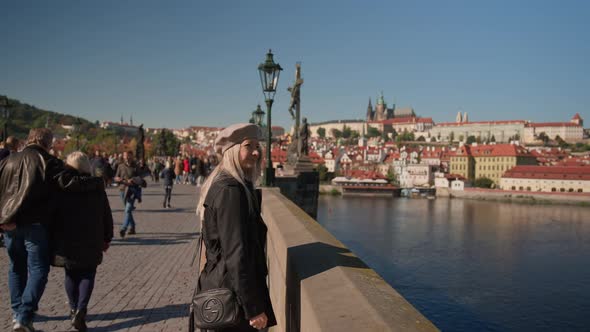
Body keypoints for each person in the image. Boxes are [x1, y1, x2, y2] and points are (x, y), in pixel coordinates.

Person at [196, 123, 276, 331]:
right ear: (232, 151)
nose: (256, 152)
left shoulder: (226, 183)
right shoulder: (231, 191)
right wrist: (254, 308)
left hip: (225, 288)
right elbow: (236, 254)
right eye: (248, 146)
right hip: (233, 298)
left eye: (257, 146)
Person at [0, 128, 64, 332]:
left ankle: (17, 312)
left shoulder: (9, 160)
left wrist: (4, 218)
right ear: (47, 143)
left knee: (16, 267)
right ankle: (24, 315)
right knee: (38, 269)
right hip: (34, 224)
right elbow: (55, 199)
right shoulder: (50, 162)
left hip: (9, 223)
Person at [51, 151, 113, 332]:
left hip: (67, 237)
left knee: (70, 273)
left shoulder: (60, 186)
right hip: (91, 237)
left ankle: (72, 308)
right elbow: (105, 214)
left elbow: (53, 213)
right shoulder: (97, 185)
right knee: (88, 273)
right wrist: (107, 237)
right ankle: (81, 310)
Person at [114, 150, 139, 238]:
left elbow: (140, 178)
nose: (127, 157)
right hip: (123, 190)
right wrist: (119, 179)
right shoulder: (120, 166)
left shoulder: (136, 166)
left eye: (128, 156)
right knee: (128, 210)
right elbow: (116, 177)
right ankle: (133, 227)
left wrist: (133, 180)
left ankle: (123, 229)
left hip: (132, 190)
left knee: (127, 210)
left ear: (132, 156)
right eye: (125, 156)